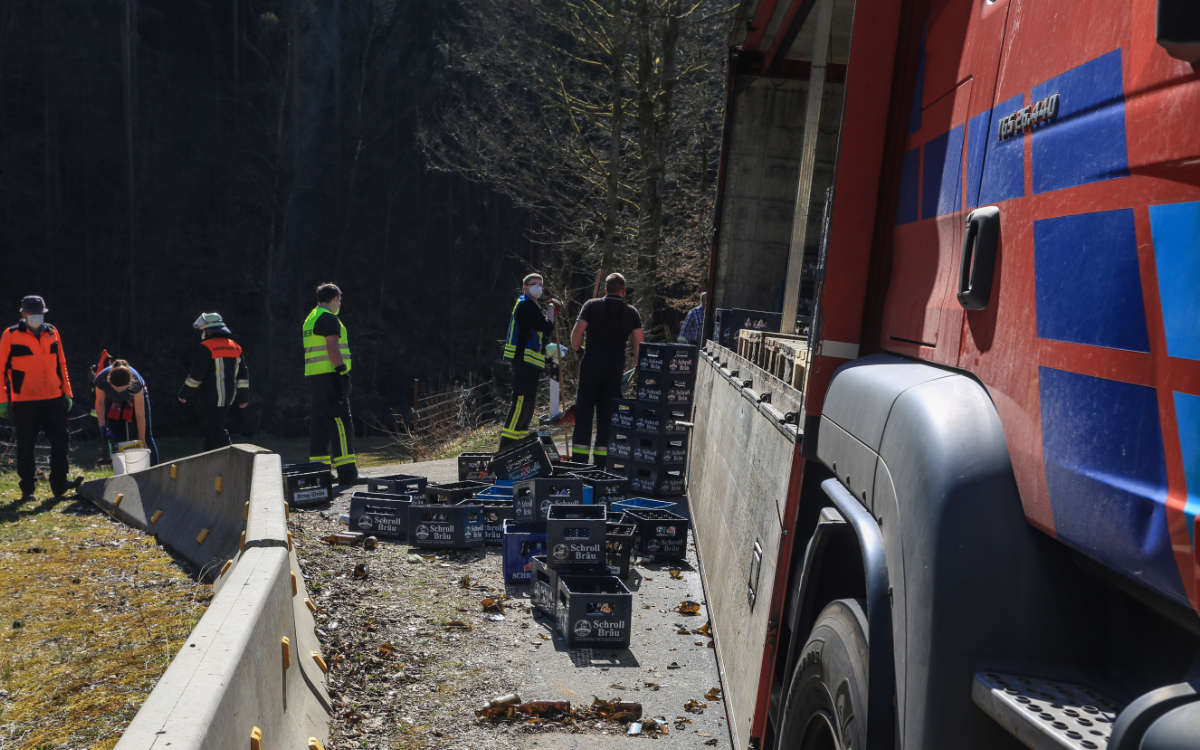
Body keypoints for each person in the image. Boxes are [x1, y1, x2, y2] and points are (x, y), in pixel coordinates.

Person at [0, 295, 82, 498]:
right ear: (23, 314)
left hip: (54, 398)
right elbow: (0, 369)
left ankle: (60, 485)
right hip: (24, 401)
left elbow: (61, 364)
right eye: (32, 313)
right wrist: (2, 399)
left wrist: (67, 392)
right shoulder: (10, 335)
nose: (36, 317)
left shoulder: (52, 332)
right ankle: (27, 487)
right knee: (26, 446)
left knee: (61, 442)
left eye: (39, 313)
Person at [570, 273, 643, 467]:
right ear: (624, 291)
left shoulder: (591, 306)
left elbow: (577, 334)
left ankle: (579, 462)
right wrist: (637, 366)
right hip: (614, 372)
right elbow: (639, 346)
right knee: (606, 419)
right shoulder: (631, 313)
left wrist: (579, 351)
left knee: (584, 416)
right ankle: (601, 464)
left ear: (605, 290)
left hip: (590, 368)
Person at [303, 283, 357, 484]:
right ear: (334, 299)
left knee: (319, 425)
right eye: (339, 300)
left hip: (315, 378)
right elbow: (332, 346)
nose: (339, 304)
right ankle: (347, 472)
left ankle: (319, 472)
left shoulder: (311, 318)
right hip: (331, 376)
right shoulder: (328, 318)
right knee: (341, 423)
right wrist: (342, 371)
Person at [499, 273, 557, 449]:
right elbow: (545, 327)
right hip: (524, 363)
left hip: (531, 363)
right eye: (534, 284)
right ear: (525, 287)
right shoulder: (526, 306)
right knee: (521, 402)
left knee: (529, 403)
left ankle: (519, 439)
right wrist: (552, 312)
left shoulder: (532, 305)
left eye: (541, 284)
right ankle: (507, 443)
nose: (538, 287)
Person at [178, 312, 250, 450]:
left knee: (214, 430)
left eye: (203, 330)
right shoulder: (235, 346)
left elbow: (196, 376)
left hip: (211, 397)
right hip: (229, 397)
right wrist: (243, 398)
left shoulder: (206, 347)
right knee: (216, 428)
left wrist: (184, 394)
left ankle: (228, 456)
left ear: (208, 330)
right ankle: (214, 460)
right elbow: (243, 375)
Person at [94, 358, 160, 465]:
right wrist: (102, 425)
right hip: (113, 401)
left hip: (135, 399)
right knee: (116, 436)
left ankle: (154, 468)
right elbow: (100, 403)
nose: (119, 391)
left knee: (147, 436)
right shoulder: (101, 379)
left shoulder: (136, 383)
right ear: (109, 381)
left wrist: (142, 439)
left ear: (129, 383)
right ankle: (122, 469)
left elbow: (140, 414)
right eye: (116, 388)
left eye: (122, 389)